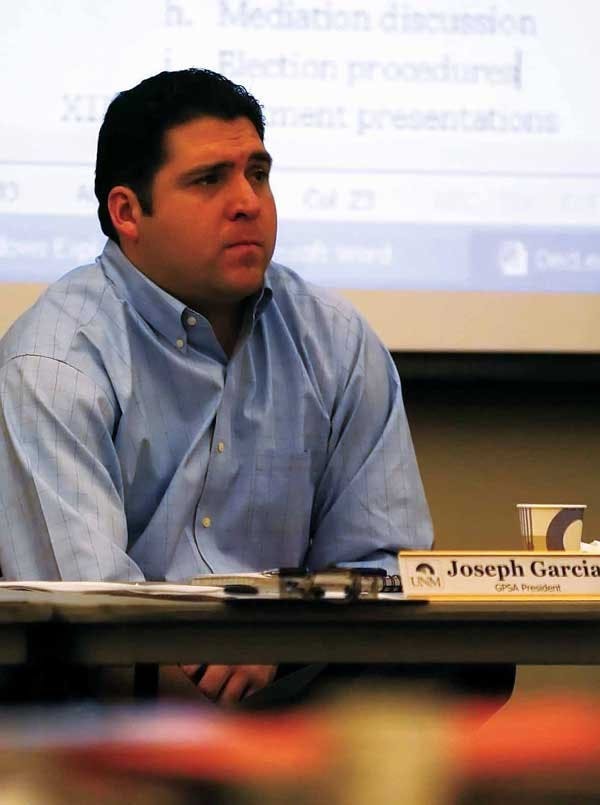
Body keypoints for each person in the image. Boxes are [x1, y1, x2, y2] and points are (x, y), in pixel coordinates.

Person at [0, 68, 510, 706]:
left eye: (258, 175)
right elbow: (82, 609)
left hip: (285, 666)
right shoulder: (53, 359)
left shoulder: (335, 338)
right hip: (128, 681)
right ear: (127, 212)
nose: (248, 202)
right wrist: (200, 654)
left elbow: (383, 565)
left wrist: (278, 635)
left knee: (469, 657)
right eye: (209, 180)